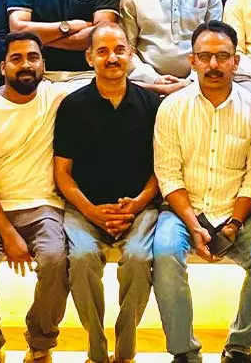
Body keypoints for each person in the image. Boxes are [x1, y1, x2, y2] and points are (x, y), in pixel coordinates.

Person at [152, 20, 251, 363]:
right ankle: (184, 351)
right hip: (183, 211)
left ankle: (239, 346)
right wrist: (193, 224)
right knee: (165, 254)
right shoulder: (172, 107)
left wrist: (234, 224)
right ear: (192, 61)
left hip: (237, 212)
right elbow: (168, 174)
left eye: (223, 56)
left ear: (236, 61)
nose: (214, 65)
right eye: (205, 57)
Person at [0, 32, 73, 363]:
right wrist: (9, 234)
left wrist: (166, 88)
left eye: (33, 58)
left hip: (43, 206)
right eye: (17, 58)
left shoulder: (55, 97)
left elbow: (106, 87)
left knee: (55, 260)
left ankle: (40, 343)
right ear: (2, 67)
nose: (26, 65)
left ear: (43, 64)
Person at [54, 22, 162, 363]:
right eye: (102, 51)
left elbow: (163, 169)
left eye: (119, 50)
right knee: (82, 259)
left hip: (139, 207)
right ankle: (96, 349)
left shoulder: (152, 104)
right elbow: (62, 174)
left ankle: (125, 350)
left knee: (139, 260)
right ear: (89, 58)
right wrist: (91, 211)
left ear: (131, 54)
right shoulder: (72, 106)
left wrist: (138, 204)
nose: (112, 58)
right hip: (84, 208)